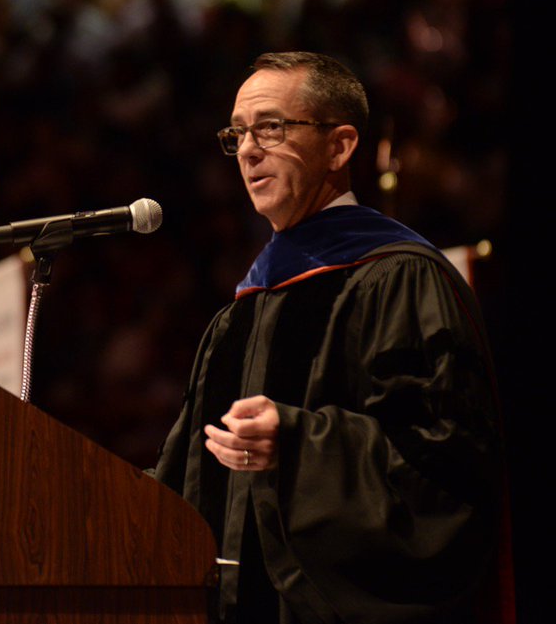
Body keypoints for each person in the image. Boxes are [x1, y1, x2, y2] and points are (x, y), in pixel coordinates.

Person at [153, 52, 509, 624]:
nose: (247, 150)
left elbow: (448, 464)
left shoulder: (399, 277)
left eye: (270, 127)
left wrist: (297, 444)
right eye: (237, 133)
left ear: (340, 146)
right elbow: (185, 478)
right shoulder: (237, 316)